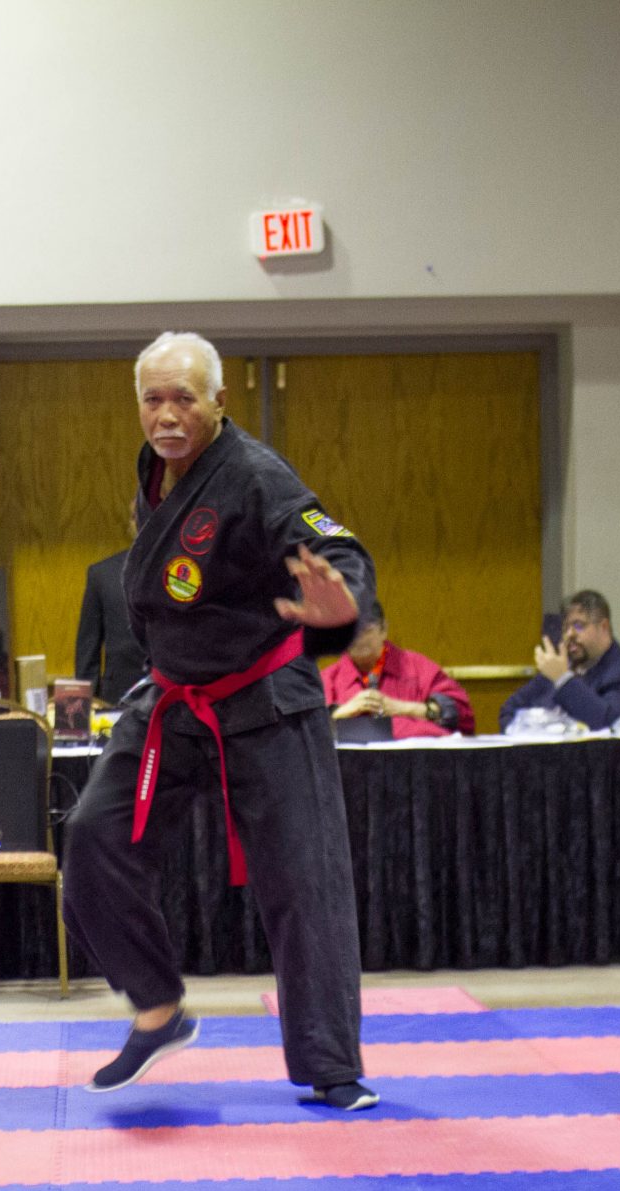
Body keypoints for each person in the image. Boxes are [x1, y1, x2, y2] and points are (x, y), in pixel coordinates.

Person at [60, 331, 380, 1112]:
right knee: (94, 836)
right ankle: (158, 1007)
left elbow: (335, 546)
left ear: (219, 401)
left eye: (184, 399)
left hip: (266, 702)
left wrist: (341, 602)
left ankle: (333, 1064)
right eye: (153, 400)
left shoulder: (257, 476)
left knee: (304, 882)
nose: (167, 415)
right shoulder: (157, 468)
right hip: (175, 699)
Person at [499, 589, 620, 730]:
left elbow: (610, 725)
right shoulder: (557, 671)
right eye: (566, 628)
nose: (569, 635)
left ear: (604, 627)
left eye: (579, 626)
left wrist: (563, 680)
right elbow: (508, 712)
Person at [322, 605, 474, 738]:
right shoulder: (328, 679)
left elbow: (461, 715)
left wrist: (402, 708)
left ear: (384, 629)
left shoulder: (417, 668)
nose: (357, 638)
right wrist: (340, 714)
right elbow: (311, 734)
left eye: (365, 630)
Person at [73, 522, 146, 703]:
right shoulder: (103, 574)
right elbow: (87, 654)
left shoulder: (185, 572)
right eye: (137, 514)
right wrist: (79, 714)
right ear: (130, 523)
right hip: (117, 700)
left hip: (179, 699)